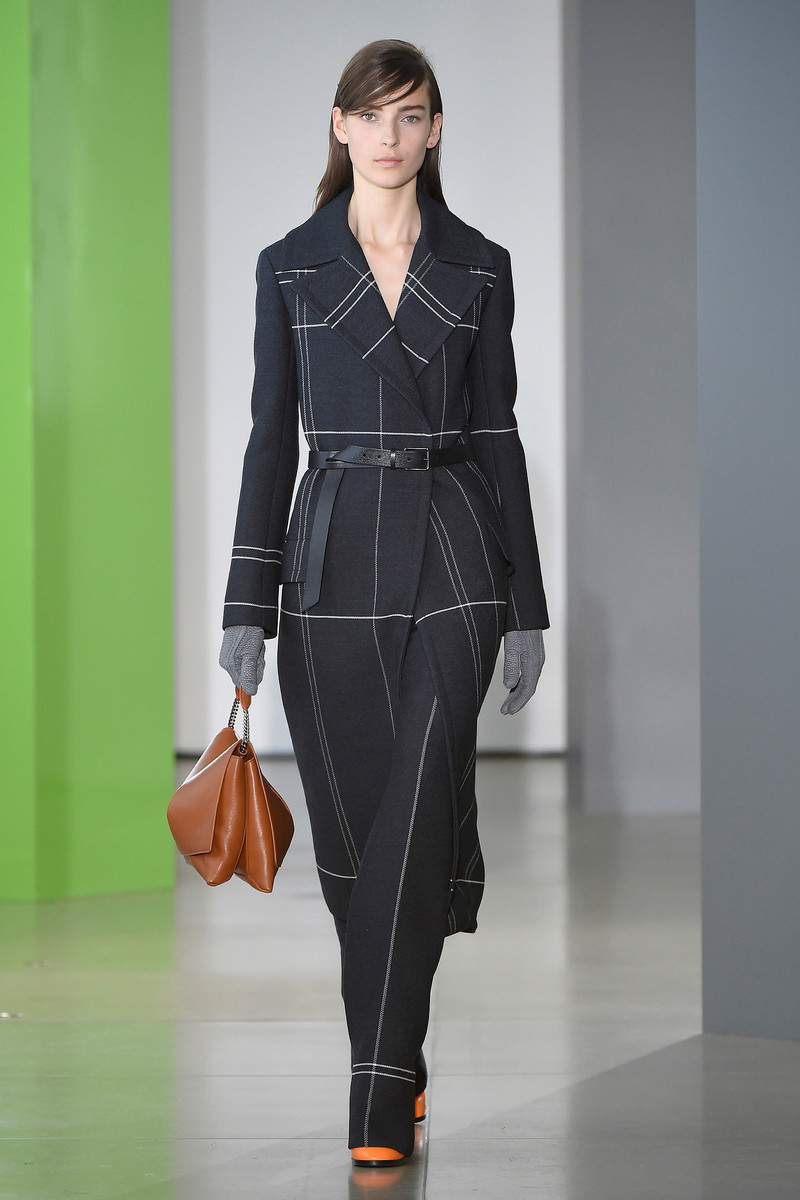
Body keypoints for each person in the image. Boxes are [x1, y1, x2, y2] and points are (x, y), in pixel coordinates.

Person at [219, 39, 549, 1169]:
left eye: (411, 116)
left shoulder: (481, 266)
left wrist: (526, 600)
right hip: (330, 564)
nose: (391, 136)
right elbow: (270, 439)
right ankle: (398, 1059)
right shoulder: (289, 267)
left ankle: (372, 1096)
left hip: (453, 550)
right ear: (340, 126)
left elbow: (498, 430)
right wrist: (246, 603)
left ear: (436, 130)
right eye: (372, 115)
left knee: (414, 809)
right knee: (358, 846)